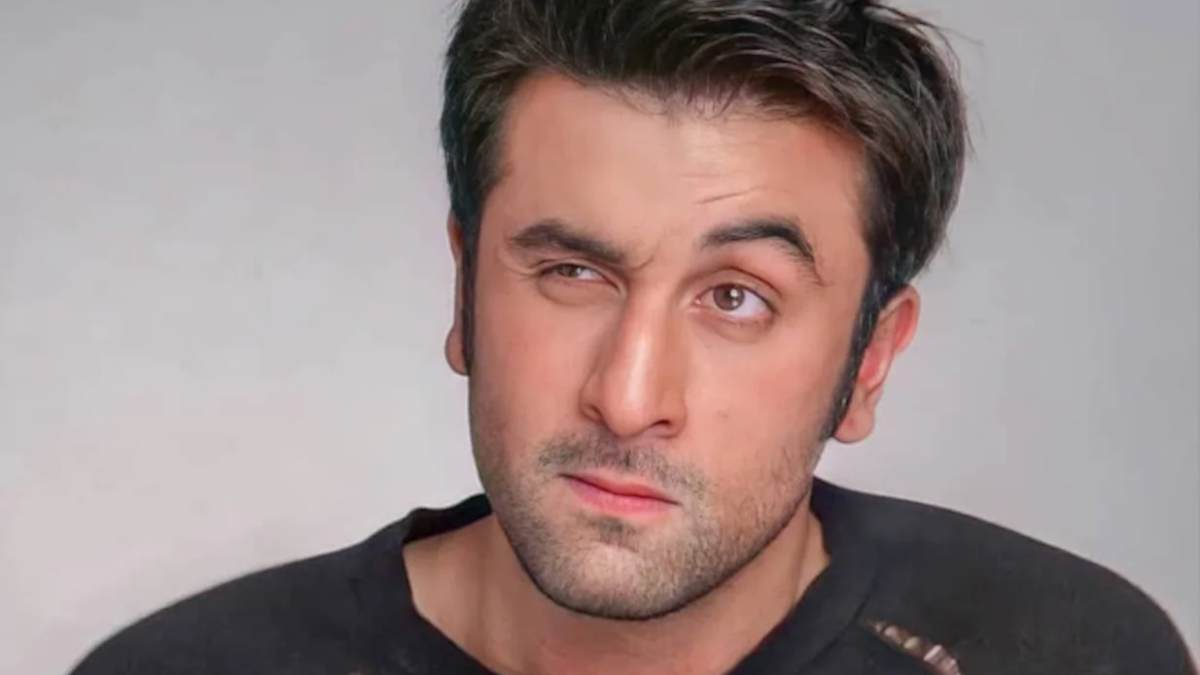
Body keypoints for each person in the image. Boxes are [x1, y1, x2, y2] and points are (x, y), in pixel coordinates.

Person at [70, 1, 1194, 673]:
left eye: (737, 297)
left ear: (870, 361)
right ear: (465, 292)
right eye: (572, 273)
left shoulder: (1067, 653)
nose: (627, 395)